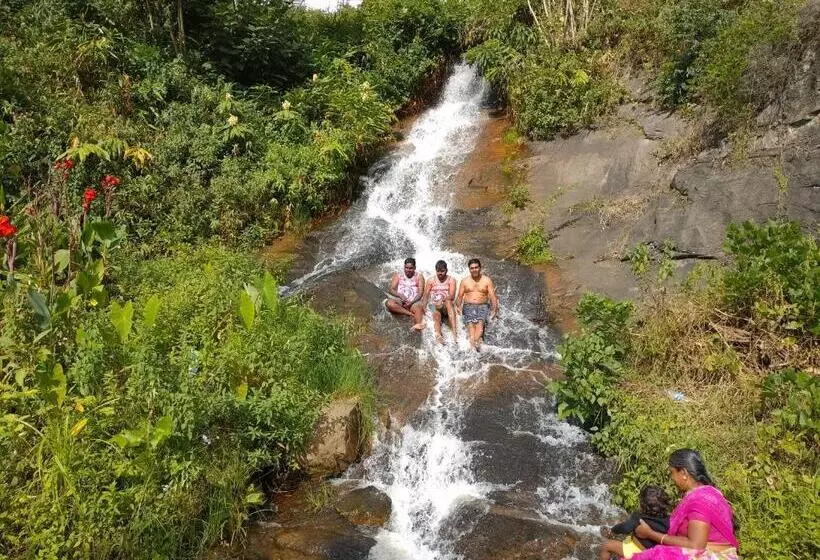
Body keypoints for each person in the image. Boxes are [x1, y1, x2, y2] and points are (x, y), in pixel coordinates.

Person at [631, 449, 740, 560]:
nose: (672, 478)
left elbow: (696, 545)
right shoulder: (709, 492)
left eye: (672, 472)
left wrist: (650, 534)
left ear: (683, 473)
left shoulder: (699, 502)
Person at [600, 485, 670, 559]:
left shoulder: (639, 517)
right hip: (653, 553)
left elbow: (625, 528)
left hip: (637, 551)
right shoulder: (667, 519)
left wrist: (613, 530)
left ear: (642, 505)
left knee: (606, 545)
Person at [455, 258, 498, 350]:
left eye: (476, 267)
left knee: (480, 324)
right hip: (468, 306)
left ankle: (473, 344)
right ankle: (473, 345)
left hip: (483, 306)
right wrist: (458, 307)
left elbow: (493, 296)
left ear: (480, 268)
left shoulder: (487, 280)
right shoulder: (464, 281)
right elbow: (459, 296)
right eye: (472, 268)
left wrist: (494, 310)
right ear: (469, 269)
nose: (474, 270)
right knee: (471, 326)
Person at [422, 260, 457, 344]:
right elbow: (426, 296)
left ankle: (454, 333)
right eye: (438, 271)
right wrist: (424, 307)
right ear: (435, 270)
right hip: (434, 305)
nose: (440, 273)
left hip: (445, 305)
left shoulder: (451, 280)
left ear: (446, 270)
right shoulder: (430, 280)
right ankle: (438, 335)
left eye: (442, 271)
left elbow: (452, 296)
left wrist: (442, 300)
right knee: (435, 313)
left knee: (448, 302)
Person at [385, 257, 425, 331]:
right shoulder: (398, 275)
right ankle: (411, 314)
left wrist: (411, 302)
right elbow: (391, 289)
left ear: (415, 268)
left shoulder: (419, 277)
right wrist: (400, 295)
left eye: (411, 268)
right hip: (401, 300)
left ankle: (418, 326)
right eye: (406, 268)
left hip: (414, 302)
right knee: (389, 303)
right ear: (404, 267)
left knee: (419, 309)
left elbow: (420, 293)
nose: (408, 270)